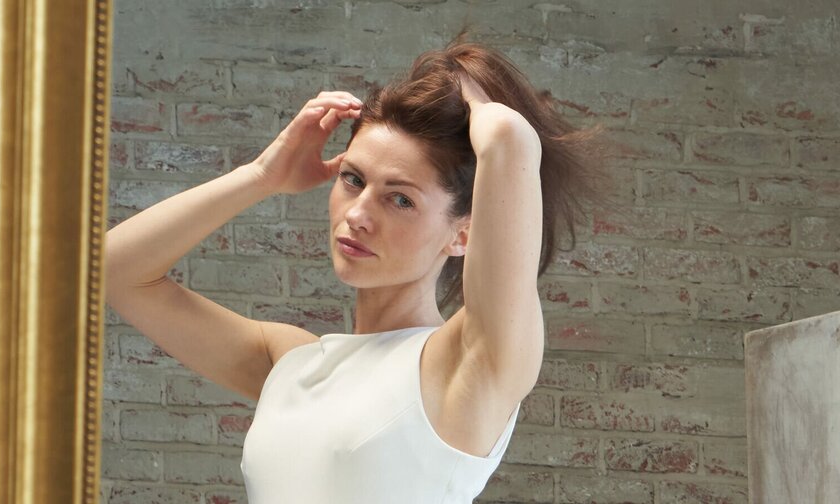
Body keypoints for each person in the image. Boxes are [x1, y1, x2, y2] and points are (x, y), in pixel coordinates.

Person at [105, 38, 605, 503]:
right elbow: (113, 271)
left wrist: (479, 100)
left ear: (463, 235)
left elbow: (510, 140)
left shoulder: (471, 362)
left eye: (400, 199)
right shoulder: (289, 363)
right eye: (353, 180)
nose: (359, 214)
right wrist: (260, 176)